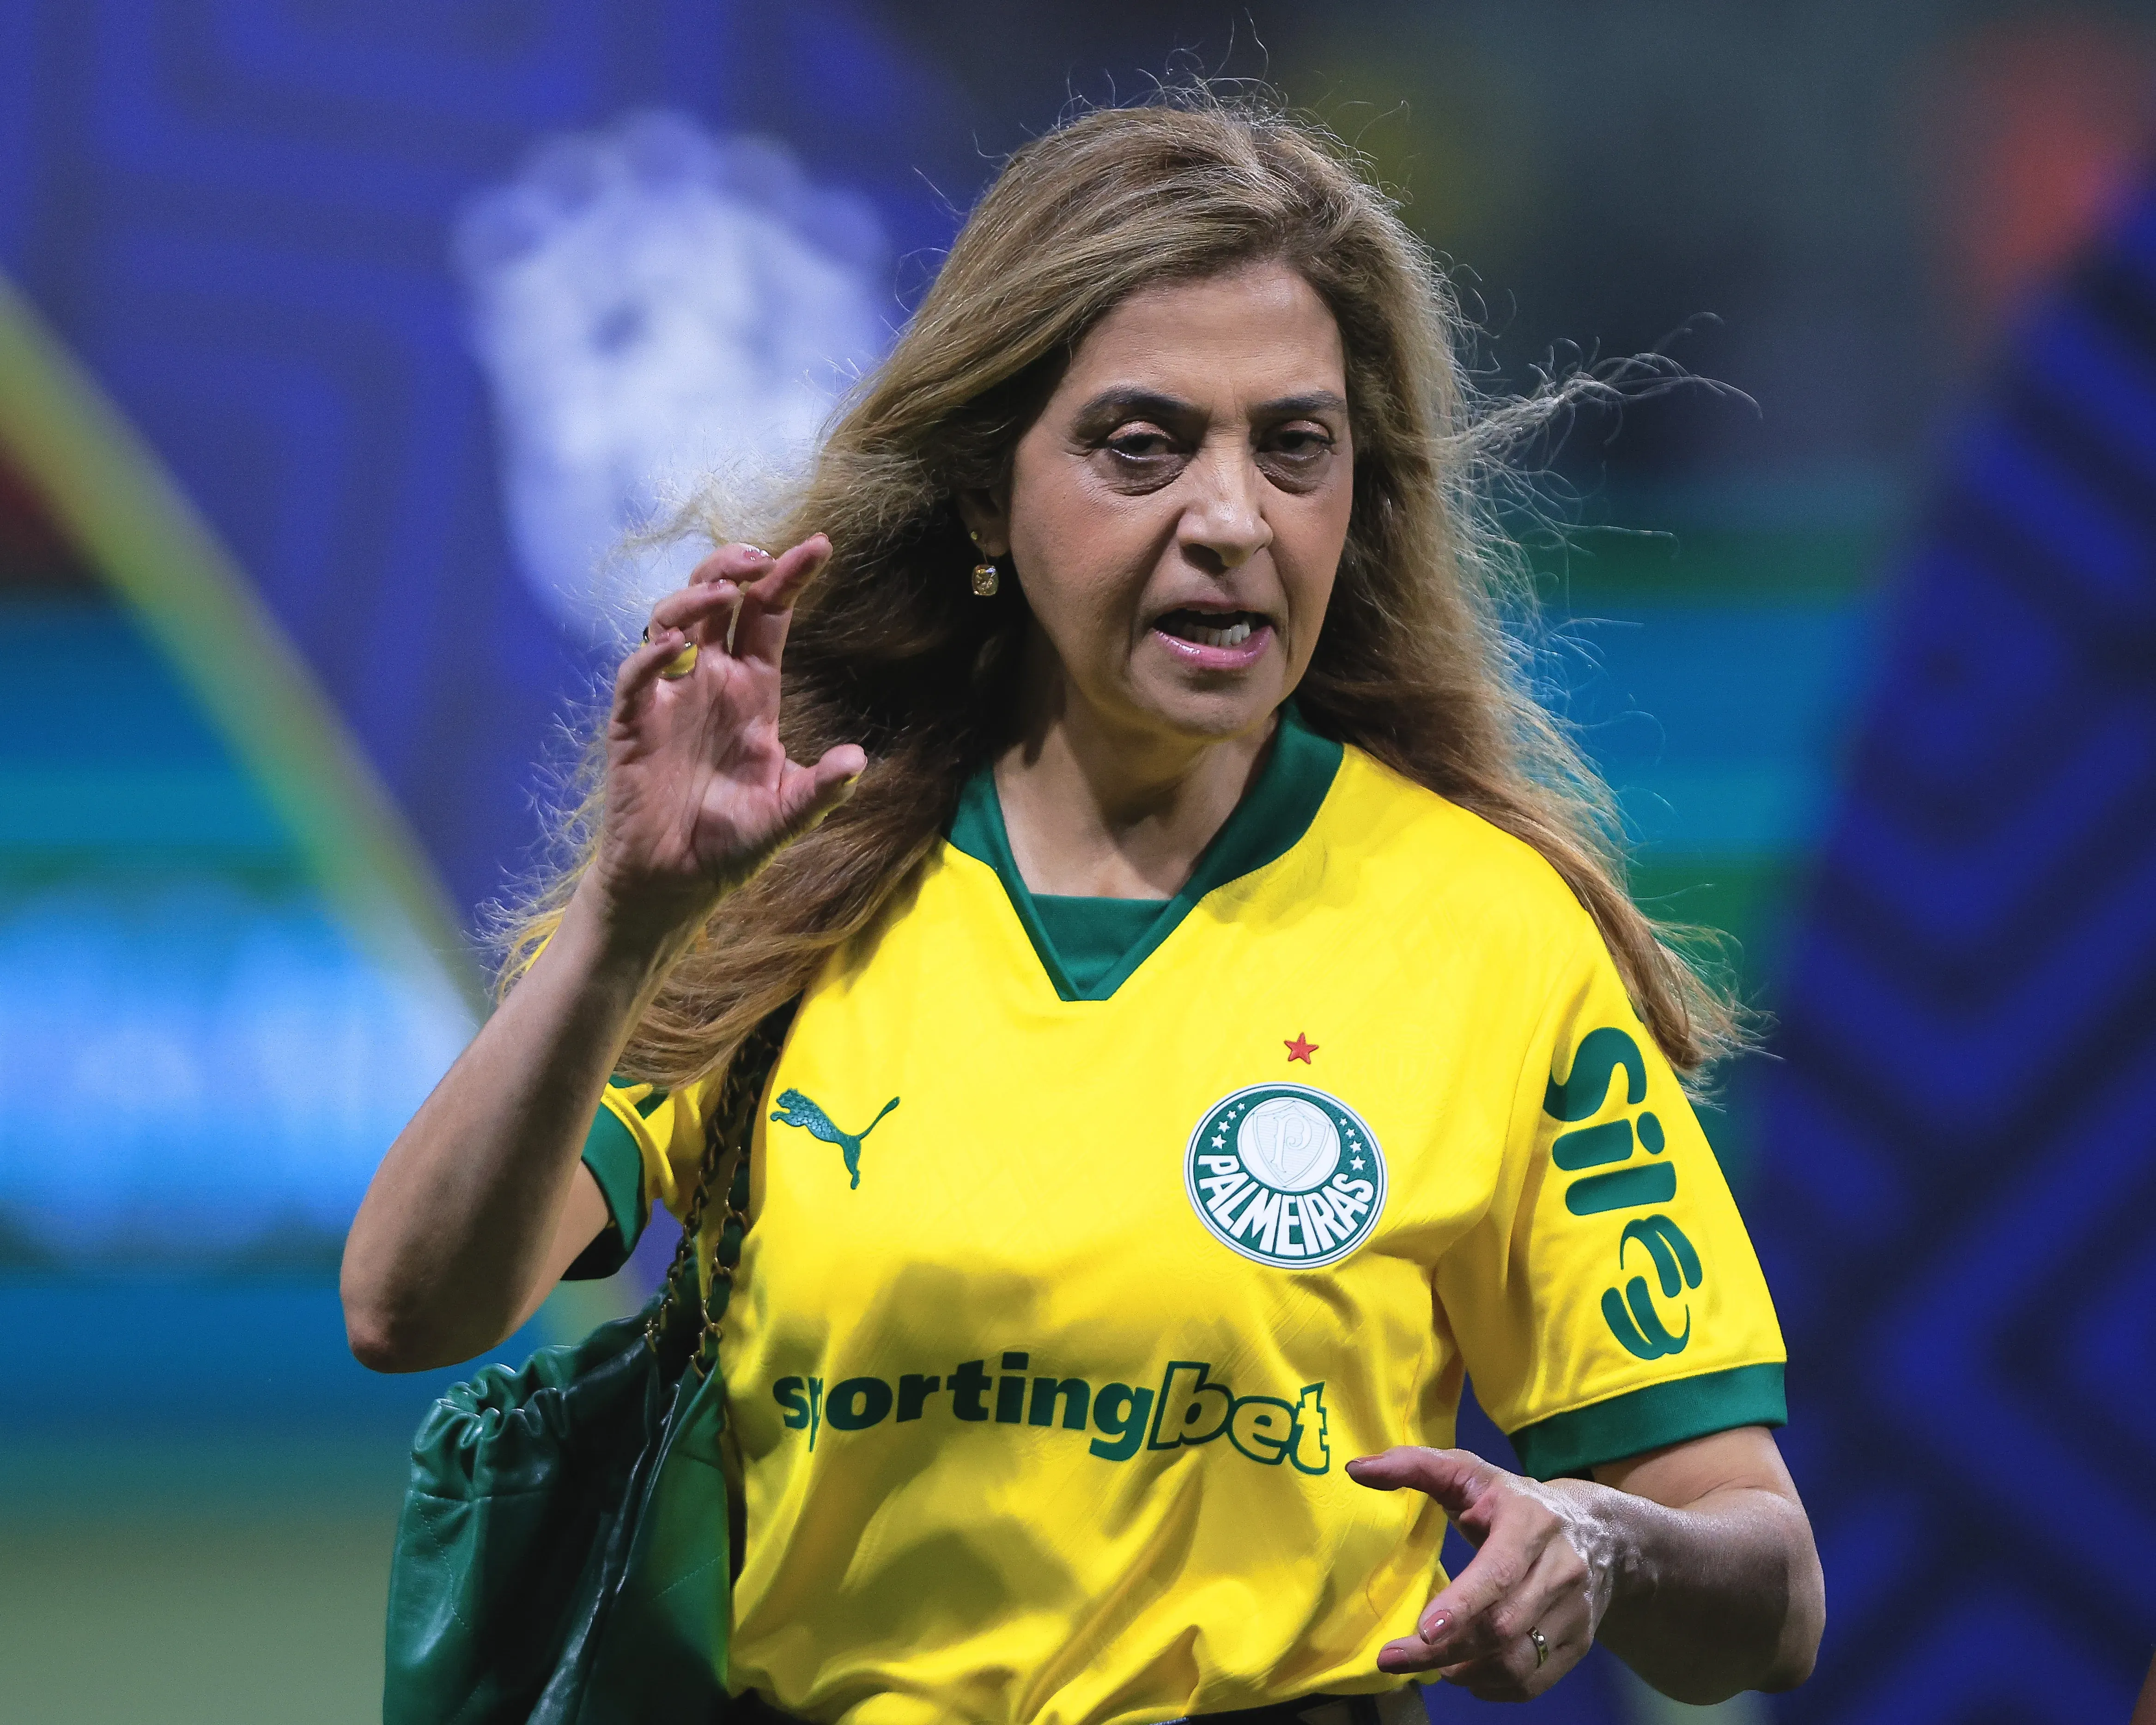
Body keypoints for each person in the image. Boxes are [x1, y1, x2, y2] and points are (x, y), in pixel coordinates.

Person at [342, 96, 1825, 1721]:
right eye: (1142, 444)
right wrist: (626, 921)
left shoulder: (1494, 930)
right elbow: (411, 1306)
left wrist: (1607, 1545)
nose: (1231, 516)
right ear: (990, 498)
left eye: (1295, 445)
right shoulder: (788, 881)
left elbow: (1762, 1594)